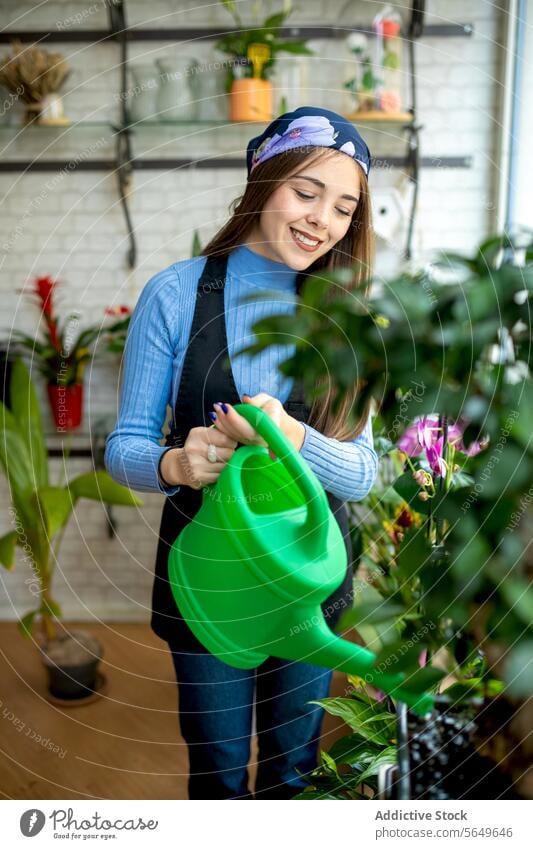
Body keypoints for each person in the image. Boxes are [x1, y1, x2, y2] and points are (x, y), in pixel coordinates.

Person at [104, 106, 378, 800]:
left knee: (293, 772)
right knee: (219, 774)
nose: (322, 220)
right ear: (263, 180)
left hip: (308, 578)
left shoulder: (350, 316)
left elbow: (364, 473)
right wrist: (174, 464)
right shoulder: (175, 294)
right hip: (206, 581)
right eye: (306, 192)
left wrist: (295, 439)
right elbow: (123, 445)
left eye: (343, 207)